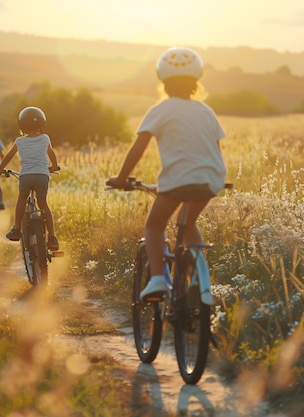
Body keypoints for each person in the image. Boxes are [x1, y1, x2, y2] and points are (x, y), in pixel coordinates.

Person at [107, 46, 227, 301]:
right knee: (188, 222)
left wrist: (120, 178)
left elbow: (138, 148)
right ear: (196, 81)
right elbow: (216, 149)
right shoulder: (206, 111)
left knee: (154, 226)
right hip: (210, 179)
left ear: (163, 80)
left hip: (177, 180)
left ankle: (159, 279)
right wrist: (212, 175)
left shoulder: (161, 109)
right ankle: (197, 278)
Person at [0, 106, 60, 251]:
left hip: (26, 176)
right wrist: (54, 166)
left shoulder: (19, 141)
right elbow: (52, 154)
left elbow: (8, 157)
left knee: (22, 198)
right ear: (42, 123)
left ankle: (17, 229)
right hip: (42, 176)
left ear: (21, 125)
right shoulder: (45, 138)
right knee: (43, 203)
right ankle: (53, 238)